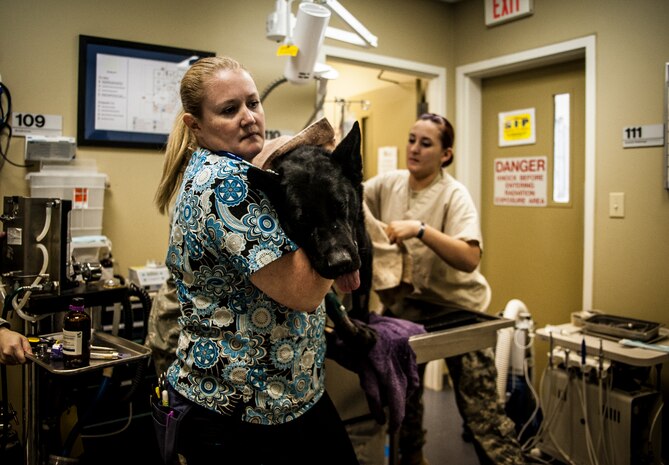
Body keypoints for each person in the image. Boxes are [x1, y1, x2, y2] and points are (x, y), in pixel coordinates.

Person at [153, 56, 359, 465]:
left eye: (253, 103)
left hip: (289, 395)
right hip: (243, 410)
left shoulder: (237, 170)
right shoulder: (227, 185)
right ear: (195, 125)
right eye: (230, 110)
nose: (248, 118)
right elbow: (302, 292)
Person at [363, 113, 526, 465]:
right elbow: (352, 199)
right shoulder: (387, 184)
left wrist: (421, 229)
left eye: (426, 143)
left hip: (457, 310)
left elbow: (470, 258)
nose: (414, 149)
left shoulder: (454, 195)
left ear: (446, 154)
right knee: (404, 399)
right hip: (406, 308)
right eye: (411, 139)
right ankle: (413, 459)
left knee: (481, 411)